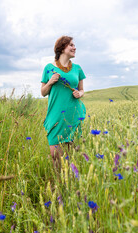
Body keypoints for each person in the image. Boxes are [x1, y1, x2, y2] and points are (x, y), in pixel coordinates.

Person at [41, 36, 86, 169]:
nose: (74, 47)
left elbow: (82, 90)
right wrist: (50, 82)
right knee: (55, 154)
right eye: (71, 45)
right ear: (62, 48)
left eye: (74, 45)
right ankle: (58, 183)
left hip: (73, 114)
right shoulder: (49, 68)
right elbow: (43, 92)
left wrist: (79, 93)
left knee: (71, 155)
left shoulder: (77, 68)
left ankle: (70, 184)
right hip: (56, 114)